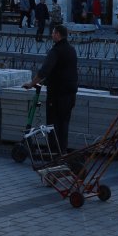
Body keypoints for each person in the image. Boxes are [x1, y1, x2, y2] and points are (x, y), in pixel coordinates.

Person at [26, 24, 79, 155]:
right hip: (70, 93)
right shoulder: (71, 50)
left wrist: (32, 83)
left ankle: (53, 150)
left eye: (53, 32)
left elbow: (44, 70)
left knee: (53, 122)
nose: (52, 35)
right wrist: (45, 81)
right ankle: (62, 150)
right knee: (64, 122)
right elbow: (62, 70)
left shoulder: (55, 51)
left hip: (57, 93)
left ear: (58, 35)